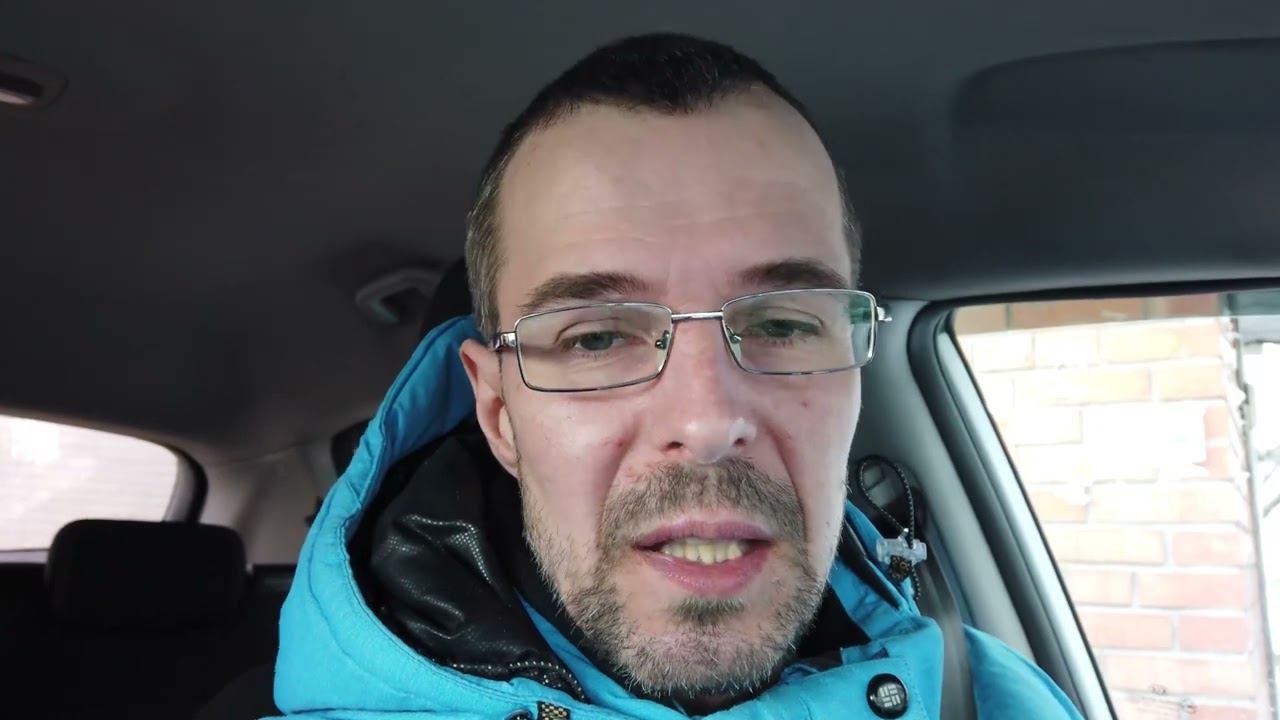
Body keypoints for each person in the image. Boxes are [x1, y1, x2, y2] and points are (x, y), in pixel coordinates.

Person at [271, 33, 1082, 719]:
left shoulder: (987, 696)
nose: (706, 423)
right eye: (596, 339)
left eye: (782, 324)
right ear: (498, 415)